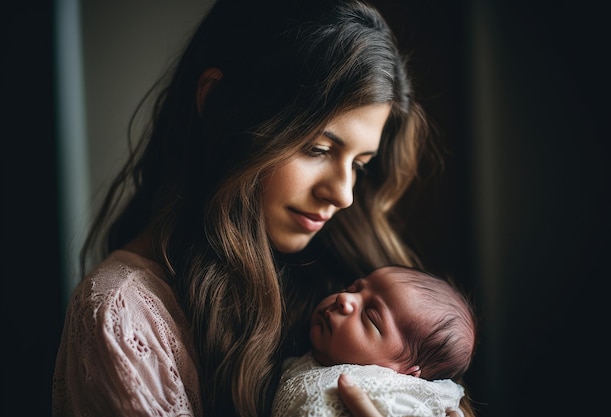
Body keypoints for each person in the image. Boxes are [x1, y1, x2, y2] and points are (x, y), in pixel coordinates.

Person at [52, 0, 476, 416]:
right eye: (317, 148)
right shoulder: (124, 319)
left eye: (360, 166)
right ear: (217, 103)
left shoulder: (353, 278)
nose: (344, 194)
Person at [271, 265, 476, 417]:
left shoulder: (398, 398)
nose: (345, 299)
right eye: (353, 288)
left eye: (370, 317)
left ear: (406, 375)